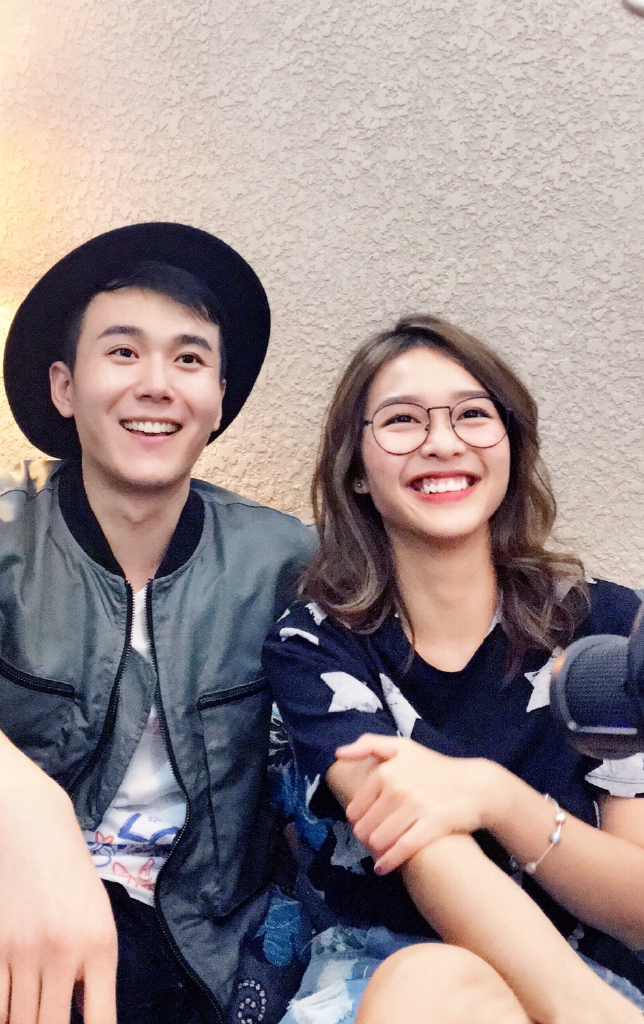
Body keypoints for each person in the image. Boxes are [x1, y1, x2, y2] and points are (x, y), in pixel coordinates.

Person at [0, 223, 315, 1024]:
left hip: (195, 947)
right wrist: (29, 806)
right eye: (123, 352)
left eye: (188, 359)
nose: (157, 385)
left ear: (219, 398)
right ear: (64, 386)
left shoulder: (283, 560)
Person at [263, 314, 644, 1024]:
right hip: (383, 971)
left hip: (593, 969)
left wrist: (498, 799)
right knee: (430, 982)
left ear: (511, 446)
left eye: (472, 414)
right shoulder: (316, 642)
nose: (442, 442)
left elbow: (639, 908)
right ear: (357, 470)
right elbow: (412, 829)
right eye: (402, 421)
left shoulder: (608, 630)